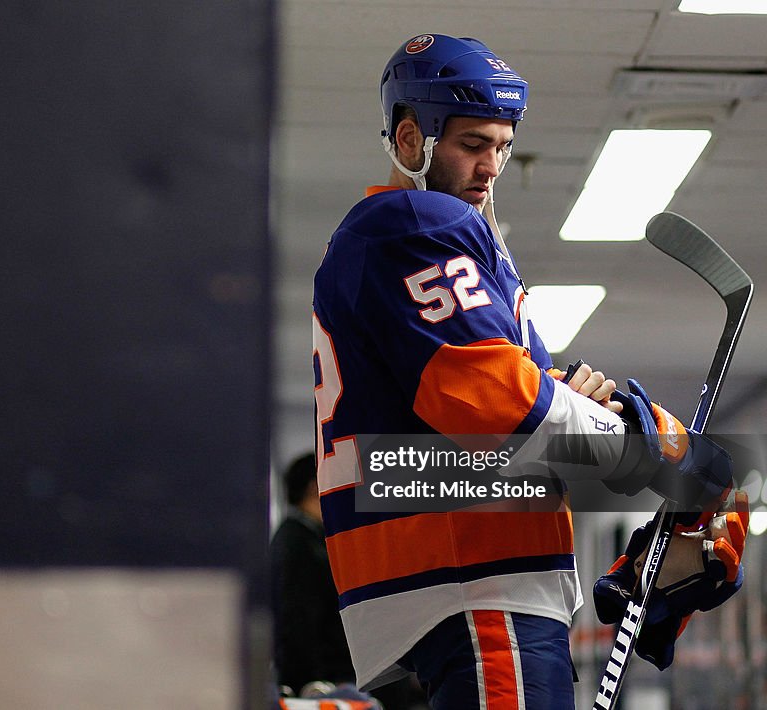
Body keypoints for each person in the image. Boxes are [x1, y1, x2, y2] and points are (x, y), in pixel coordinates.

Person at [311, 33, 748, 709]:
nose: (492, 165)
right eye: (472, 144)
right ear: (408, 141)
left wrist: (555, 404)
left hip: (455, 590)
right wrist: (660, 448)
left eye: (503, 146)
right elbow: (506, 411)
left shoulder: (429, 243)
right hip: (474, 587)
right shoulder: (412, 223)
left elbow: (506, 418)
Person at [270, 453, 355, 695]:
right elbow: (297, 618)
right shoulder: (297, 542)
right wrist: (308, 684)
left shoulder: (311, 538)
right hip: (320, 684)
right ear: (314, 485)